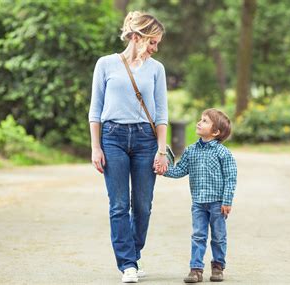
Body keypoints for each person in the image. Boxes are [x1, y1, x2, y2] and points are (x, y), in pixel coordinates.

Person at [88, 11, 169, 283]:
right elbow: (95, 110)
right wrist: (95, 147)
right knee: (119, 204)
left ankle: (133, 253)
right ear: (137, 37)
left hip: (146, 140)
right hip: (112, 138)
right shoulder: (106, 64)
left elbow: (161, 114)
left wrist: (161, 149)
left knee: (143, 206)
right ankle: (127, 265)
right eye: (152, 42)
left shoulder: (156, 69)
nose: (155, 48)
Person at [158, 108, 238, 283]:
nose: (199, 123)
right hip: (198, 204)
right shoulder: (190, 151)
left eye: (204, 121)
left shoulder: (223, 153)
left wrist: (227, 201)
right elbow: (179, 170)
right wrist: (164, 170)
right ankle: (196, 270)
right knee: (198, 235)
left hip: (218, 203)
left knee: (218, 237)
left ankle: (218, 267)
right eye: (200, 119)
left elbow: (231, 178)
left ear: (215, 132)